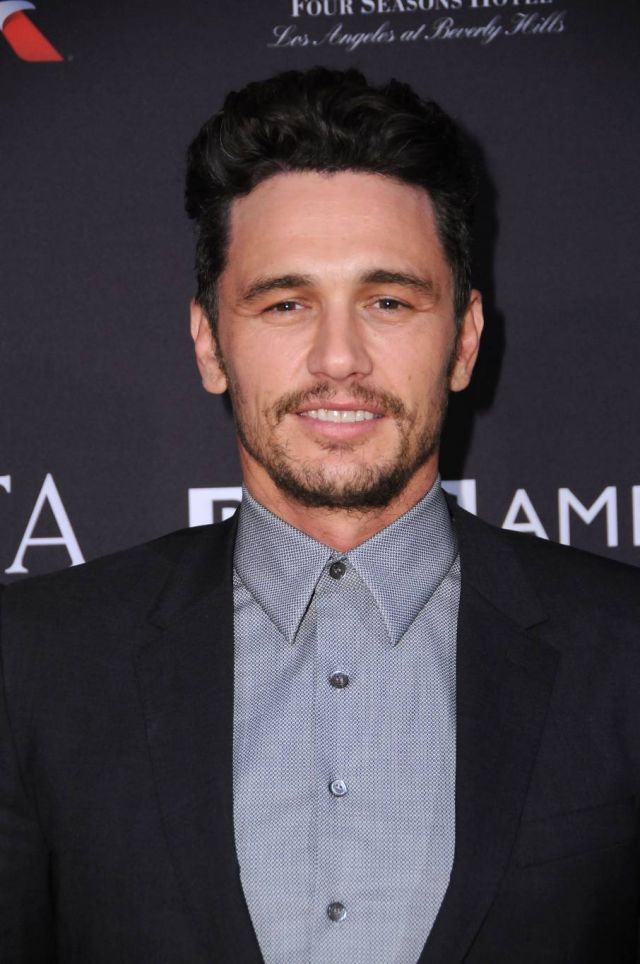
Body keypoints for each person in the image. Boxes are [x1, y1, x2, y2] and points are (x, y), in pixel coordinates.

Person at [1, 67, 639, 964]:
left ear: (463, 341)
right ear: (209, 344)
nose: (339, 358)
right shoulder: (36, 664)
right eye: (286, 303)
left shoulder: (624, 655)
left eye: (389, 302)